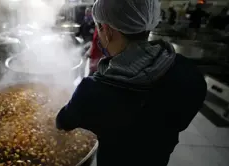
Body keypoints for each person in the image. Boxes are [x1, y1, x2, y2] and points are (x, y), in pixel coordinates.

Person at [56, 0, 207, 165]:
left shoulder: (94, 90)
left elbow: (63, 121)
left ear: (107, 31)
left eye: (99, 27)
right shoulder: (188, 72)